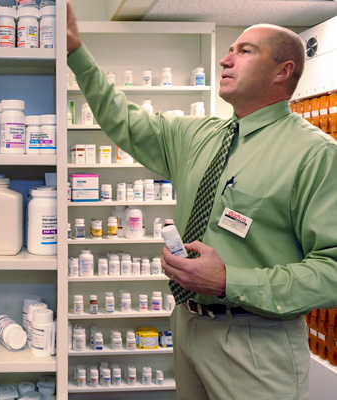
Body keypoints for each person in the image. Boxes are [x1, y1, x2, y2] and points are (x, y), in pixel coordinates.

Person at [66, 2, 337, 399]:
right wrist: (76, 52)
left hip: (255, 342)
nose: (227, 59)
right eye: (229, 50)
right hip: (189, 326)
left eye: (246, 51)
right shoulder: (200, 136)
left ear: (284, 71)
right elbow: (122, 118)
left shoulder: (314, 154)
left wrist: (230, 280)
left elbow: (332, 271)